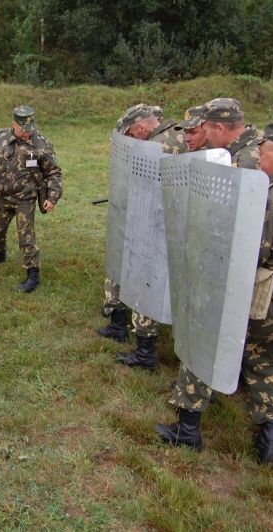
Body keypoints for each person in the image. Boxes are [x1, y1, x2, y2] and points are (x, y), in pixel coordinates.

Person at [156, 121, 273, 465]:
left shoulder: (272, 199)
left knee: (202, 347)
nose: (259, 160)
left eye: (264, 152)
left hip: (260, 298)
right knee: (269, 360)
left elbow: (246, 256)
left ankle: (187, 428)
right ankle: (268, 441)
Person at [100, 103, 186, 370]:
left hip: (157, 226)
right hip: (169, 223)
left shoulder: (160, 145)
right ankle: (122, 327)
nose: (132, 140)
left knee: (145, 282)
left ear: (139, 127)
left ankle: (145, 351)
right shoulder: (178, 134)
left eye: (131, 135)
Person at [0, 105, 63, 292]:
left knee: (26, 237)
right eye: (23, 129)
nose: (27, 133)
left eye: (30, 129)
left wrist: (52, 197)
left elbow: (54, 172)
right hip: (2, 197)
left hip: (25, 198)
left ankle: (33, 275)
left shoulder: (42, 143)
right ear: (13, 124)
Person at [199, 97, 261, 168]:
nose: (206, 137)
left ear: (220, 129)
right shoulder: (260, 137)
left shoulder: (243, 162)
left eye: (205, 131)